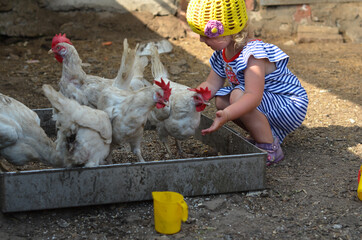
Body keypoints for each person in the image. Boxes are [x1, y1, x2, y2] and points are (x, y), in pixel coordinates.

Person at [186, 0, 309, 165]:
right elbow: (212, 84)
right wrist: (192, 96)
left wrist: (229, 114)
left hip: (288, 102)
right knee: (222, 100)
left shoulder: (253, 54)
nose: (202, 40)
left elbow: (253, 96)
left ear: (230, 30)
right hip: (268, 100)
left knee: (237, 95)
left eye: (206, 35)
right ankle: (262, 135)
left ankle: (269, 147)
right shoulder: (222, 53)